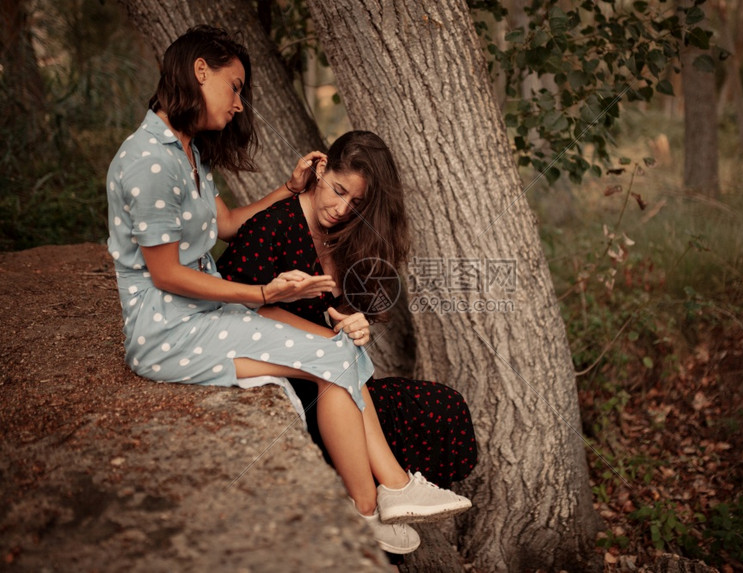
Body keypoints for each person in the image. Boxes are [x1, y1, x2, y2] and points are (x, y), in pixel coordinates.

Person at [105, 25, 470, 555]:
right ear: (199, 71)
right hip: (169, 329)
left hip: (200, 316)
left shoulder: (187, 152)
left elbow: (226, 223)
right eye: (234, 86)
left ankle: (379, 501)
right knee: (332, 358)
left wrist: (287, 190)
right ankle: (381, 499)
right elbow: (165, 275)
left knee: (337, 353)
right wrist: (261, 296)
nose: (237, 104)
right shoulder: (149, 161)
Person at [217, 131, 478, 490]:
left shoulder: (343, 236)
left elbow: (337, 316)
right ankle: (390, 495)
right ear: (321, 169)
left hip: (337, 374)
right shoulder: (274, 225)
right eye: (339, 191)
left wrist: (352, 324)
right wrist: (325, 337)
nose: (342, 210)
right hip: (302, 380)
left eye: (356, 203)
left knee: (445, 409)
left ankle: (399, 500)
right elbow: (231, 307)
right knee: (401, 418)